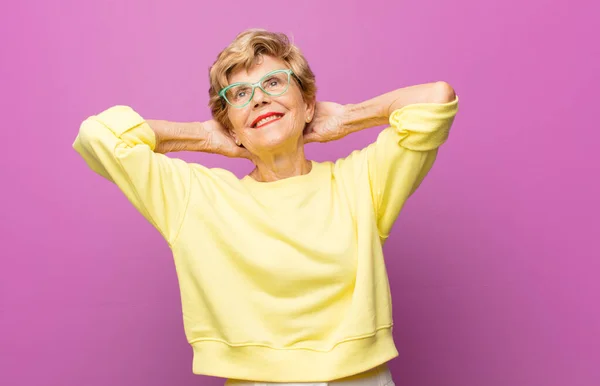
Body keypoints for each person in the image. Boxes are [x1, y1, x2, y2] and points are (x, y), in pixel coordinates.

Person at [72, 28, 459, 385]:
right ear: (230, 126)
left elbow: (435, 99)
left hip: (361, 378)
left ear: (308, 104)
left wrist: (346, 119)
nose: (258, 97)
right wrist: (205, 138)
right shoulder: (197, 196)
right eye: (240, 94)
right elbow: (99, 136)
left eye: (273, 83)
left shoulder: (362, 181)